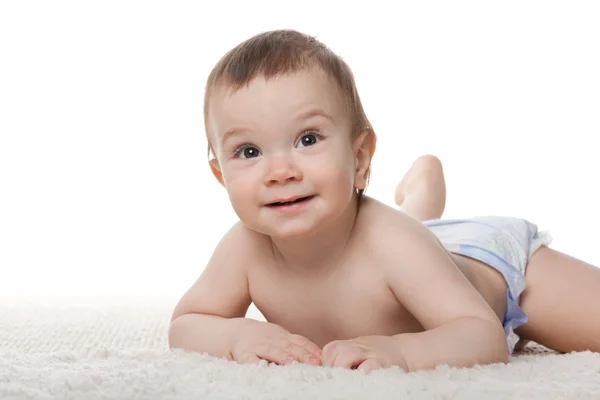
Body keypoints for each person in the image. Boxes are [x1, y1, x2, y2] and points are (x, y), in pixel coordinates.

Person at [168, 29, 600, 373]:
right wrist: (235, 337)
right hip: (423, 252)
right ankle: (421, 188)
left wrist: (402, 354)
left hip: (494, 270)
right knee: (416, 234)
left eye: (307, 139)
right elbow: (186, 324)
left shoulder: (393, 243)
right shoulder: (243, 248)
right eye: (249, 152)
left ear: (359, 159)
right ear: (220, 175)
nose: (279, 171)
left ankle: (423, 193)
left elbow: (481, 335)